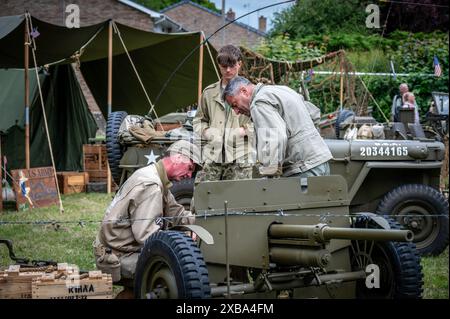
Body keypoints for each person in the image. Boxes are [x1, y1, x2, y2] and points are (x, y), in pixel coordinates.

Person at [93, 140, 201, 285]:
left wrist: (205, 221)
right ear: (178, 157)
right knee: (182, 269)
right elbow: (148, 236)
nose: (189, 175)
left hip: (122, 249)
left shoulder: (156, 177)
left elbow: (178, 215)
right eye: (189, 168)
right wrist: (183, 240)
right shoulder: (151, 185)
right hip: (118, 255)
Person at [223, 76, 332, 178]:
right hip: (320, 161)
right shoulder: (282, 90)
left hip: (303, 169)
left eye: (235, 104)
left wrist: (268, 172)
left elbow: (274, 137)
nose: (236, 112)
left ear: (244, 92)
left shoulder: (259, 103)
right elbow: (314, 115)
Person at [193, 45, 255, 182]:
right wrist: (206, 131)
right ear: (218, 66)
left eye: (232, 66)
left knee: (239, 200)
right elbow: (199, 120)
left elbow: (261, 121)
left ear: (239, 64)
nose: (228, 70)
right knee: (204, 196)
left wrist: (244, 130)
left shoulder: (249, 92)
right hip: (213, 154)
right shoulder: (209, 93)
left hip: (240, 155)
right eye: (223, 66)